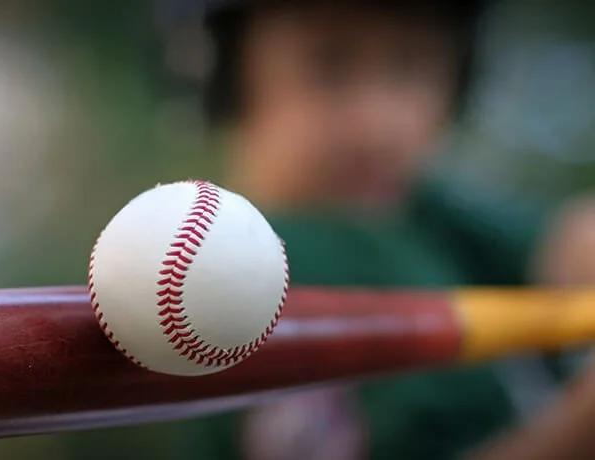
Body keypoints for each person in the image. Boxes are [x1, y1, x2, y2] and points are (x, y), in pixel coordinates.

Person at [178, 1, 595, 459]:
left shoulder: (417, 208)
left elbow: (568, 243)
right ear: (231, 76)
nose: (376, 124)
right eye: (328, 64)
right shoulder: (242, 271)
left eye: (409, 65)